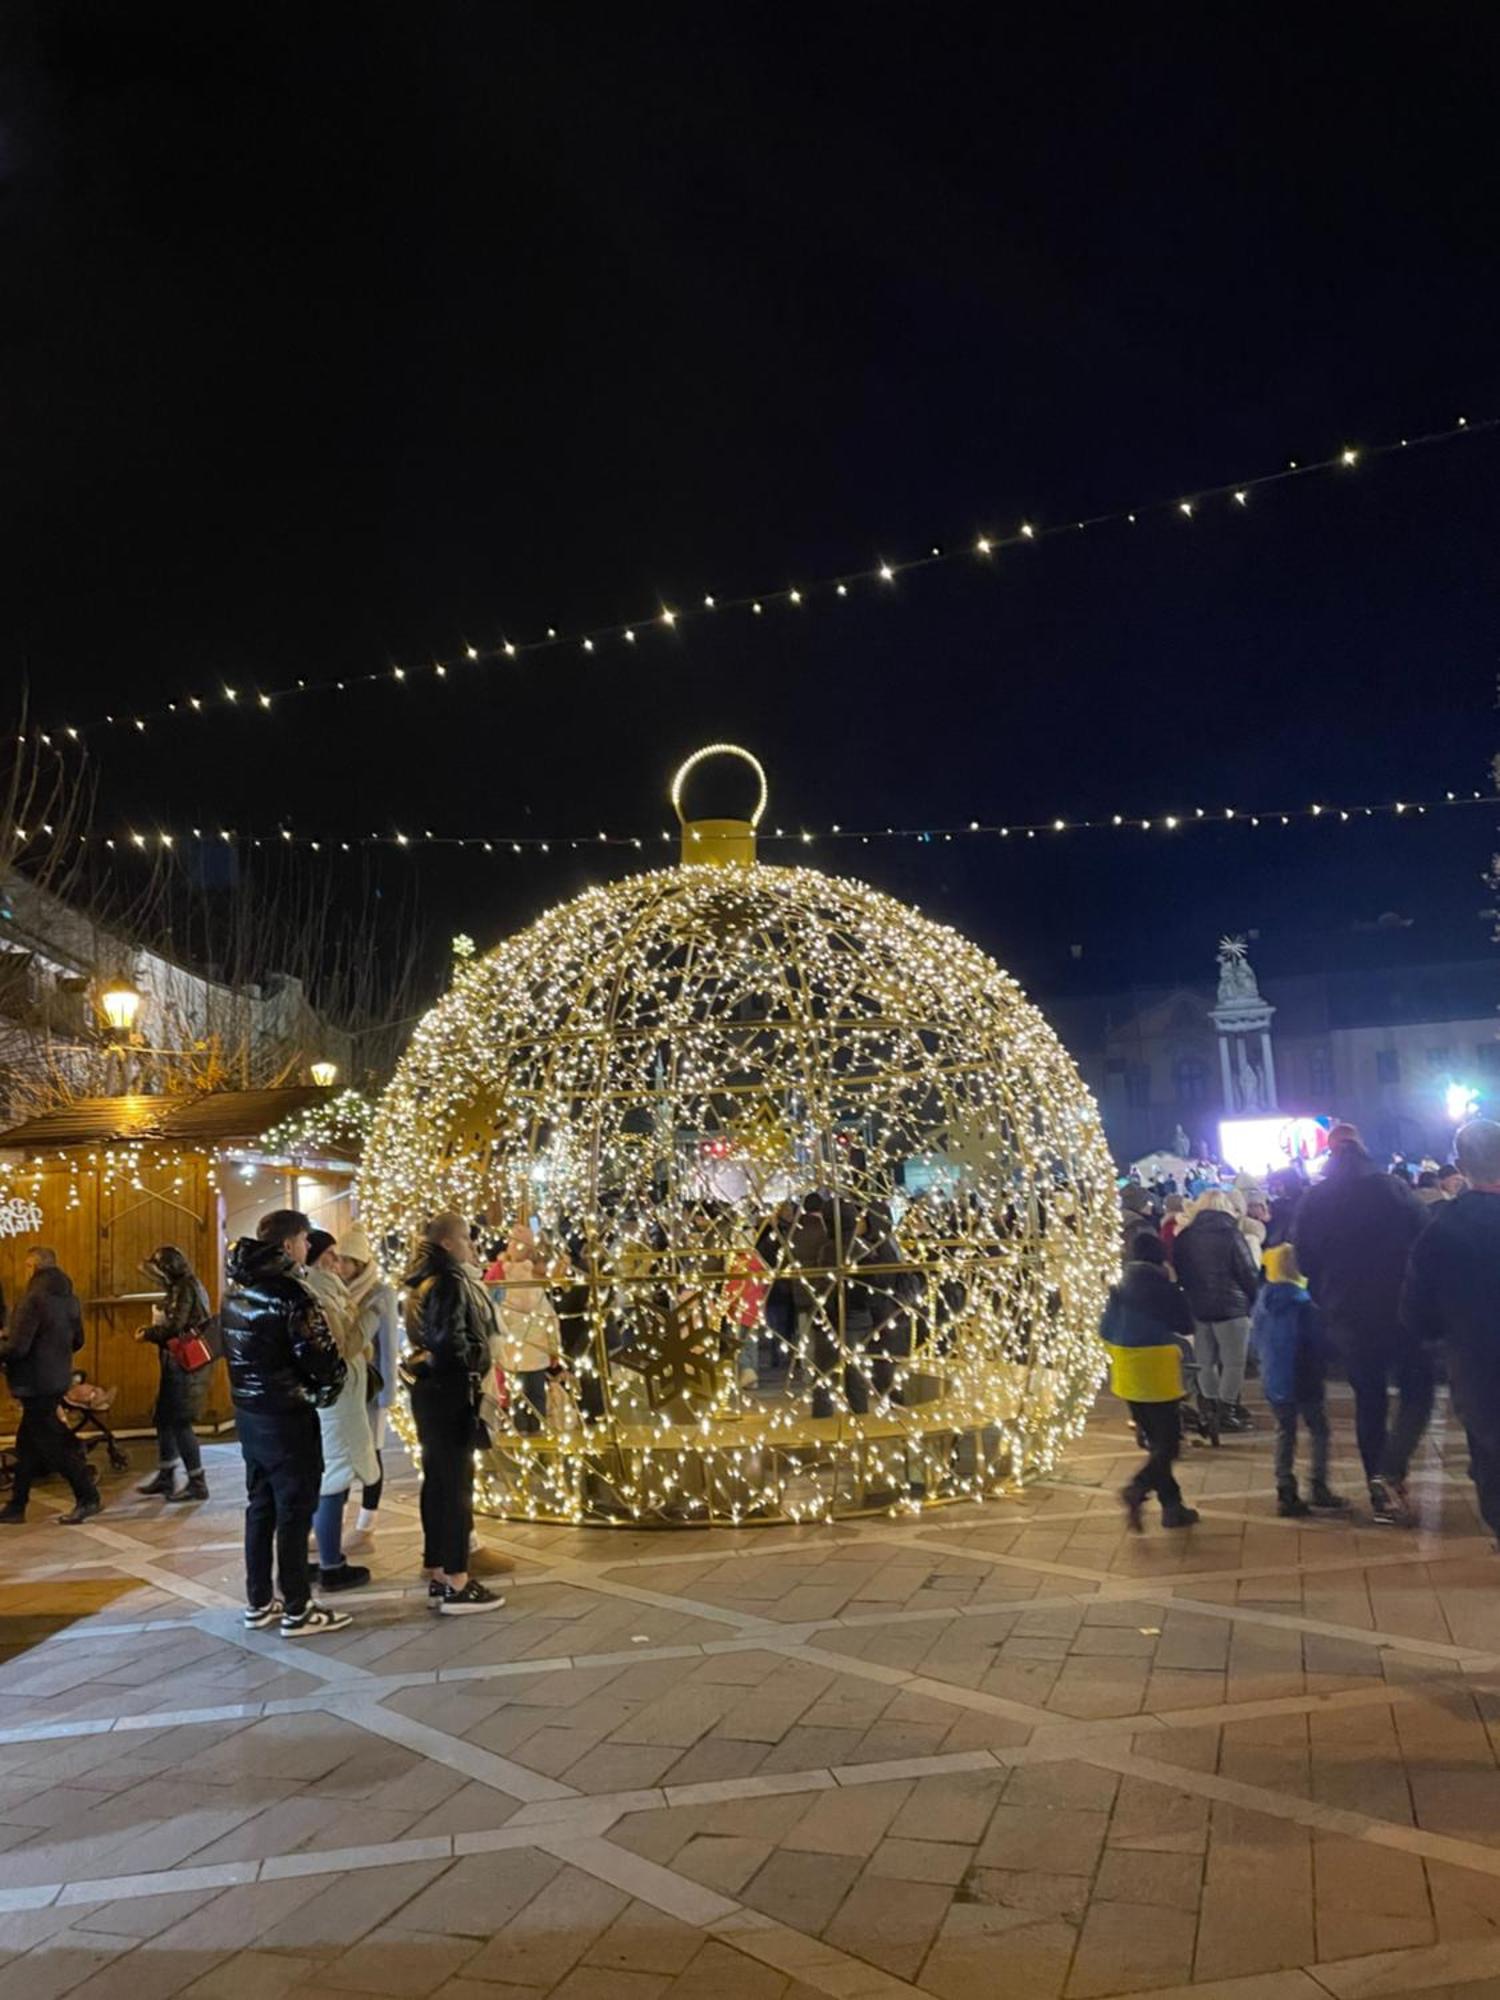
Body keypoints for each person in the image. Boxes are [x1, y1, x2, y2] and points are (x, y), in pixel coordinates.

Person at [221, 1209, 351, 1636]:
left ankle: (259, 1600)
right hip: (288, 1415)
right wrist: (330, 1381)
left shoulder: (236, 1291)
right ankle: (298, 1607)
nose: (307, 1248)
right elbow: (319, 1356)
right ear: (290, 1244)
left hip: (250, 1414)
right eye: (304, 1240)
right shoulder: (290, 1293)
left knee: (260, 1506)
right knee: (295, 1511)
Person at [1295, 1122, 1429, 1526]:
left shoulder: (1315, 1198)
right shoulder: (1392, 1188)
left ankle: (1378, 1488)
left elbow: (1304, 1260)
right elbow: (1425, 1239)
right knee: (1418, 1391)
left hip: (1347, 1315)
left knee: (1368, 1402)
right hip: (1401, 1309)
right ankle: (1393, 1467)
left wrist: (1327, 1295)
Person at [403, 1210, 506, 1614]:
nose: (472, 1245)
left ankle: (437, 1568)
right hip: (450, 1393)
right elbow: (450, 1344)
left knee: (439, 1480)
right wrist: (475, 1365)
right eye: (465, 1238)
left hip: (429, 1393)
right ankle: (457, 1580)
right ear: (448, 1243)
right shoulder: (447, 1281)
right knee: (456, 1485)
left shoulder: (419, 1279)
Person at [1402, 1118, 1500, 1541]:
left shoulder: (1439, 1229)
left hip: (1478, 1365)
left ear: (1460, 1165)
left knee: (1490, 1452)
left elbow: (1416, 1313)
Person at [1100, 1232, 1199, 1532]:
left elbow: (1104, 1329)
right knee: (1168, 1445)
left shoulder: (1118, 1286)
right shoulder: (1162, 1287)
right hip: (1157, 1370)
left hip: (1126, 1372)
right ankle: (1137, 1487)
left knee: (1158, 1443)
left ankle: (1172, 1507)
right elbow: (1185, 1323)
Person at [0, 1247, 100, 1524]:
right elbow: (77, 1340)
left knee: (55, 1445)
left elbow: (18, 1348)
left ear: (32, 1266)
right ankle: (17, 1505)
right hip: (57, 1378)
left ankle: (87, 1496)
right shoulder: (69, 1299)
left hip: (34, 1382)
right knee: (27, 1446)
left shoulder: (32, 1300)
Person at [1250, 1244, 1349, 1517]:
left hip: (1274, 1376)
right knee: (1318, 1430)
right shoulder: (1304, 1306)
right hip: (1304, 1377)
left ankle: (1285, 1489)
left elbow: (1255, 1341)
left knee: (1285, 1432)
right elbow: (1321, 1346)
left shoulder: (1263, 1302)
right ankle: (1318, 1486)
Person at [303, 1230, 375, 1592]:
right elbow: (344, 1346)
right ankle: (330, 1562)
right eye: (331, 1254)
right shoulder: (321, 1292)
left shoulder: (327, 1289)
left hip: (334, 1399)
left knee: (329, 1477)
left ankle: (314, 1559)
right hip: (336, 1401)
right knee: (333, 1479)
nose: (337, 1260)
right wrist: (371, 1318)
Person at [1172, 1190, 1261, 1434]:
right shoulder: (1232, 1235)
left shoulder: (1185, 1236)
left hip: (1198, 1307)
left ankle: (1208, 1408)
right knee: (1233, 1363)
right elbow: (1248, 1273)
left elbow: (1180, 1271)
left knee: (1204, 1362)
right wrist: (1256, 1301)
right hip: (1232, 1308)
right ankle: (1227, 1410)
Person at [135, 1245, 214, 1503]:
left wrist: (148, 1333)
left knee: (180, 1422)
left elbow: (176, 1326)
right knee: (164, 1418)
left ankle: (197, 1482)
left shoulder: (184, 1288)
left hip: (185, 1365)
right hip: (181, 1363)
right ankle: (167, 1474)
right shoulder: (186, 1284)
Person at [339, 1226, 398, 1549]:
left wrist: (388, 1393)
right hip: (346, 1388)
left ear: (359, 1263)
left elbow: (388, 1346)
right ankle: (338, 1521)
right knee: (344, 1454)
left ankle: (367, 1521)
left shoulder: (380, 1293)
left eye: (346, 1261)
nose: (341, 1267)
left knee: (371, 1453)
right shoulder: (341, 1291)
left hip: (372, 1389)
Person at [491, 1221, 560, 1430]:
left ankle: (525, 1435)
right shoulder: (534, 1286)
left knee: (522, 1400)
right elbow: (550, 1319)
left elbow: (495, 1316)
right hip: (534, 1354)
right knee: (535, 1398)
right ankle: (535, 1433)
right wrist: (554, 1349)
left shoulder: (503, 1284)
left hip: (514, 1355)